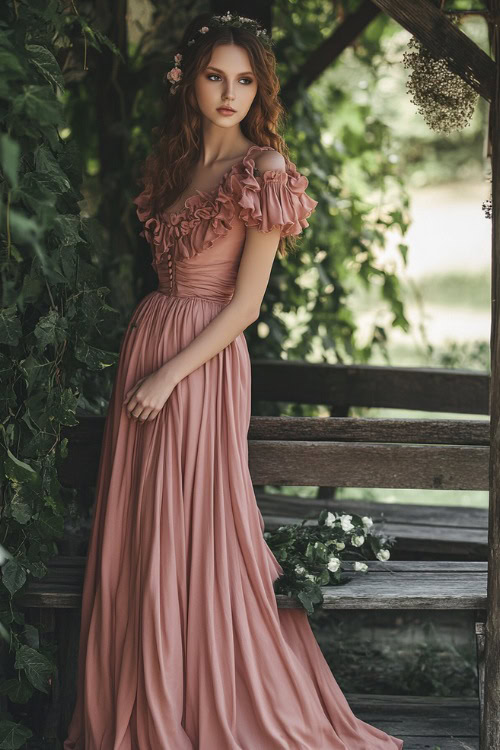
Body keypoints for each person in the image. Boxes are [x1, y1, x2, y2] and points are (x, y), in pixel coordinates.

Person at [64, 10, 404, 750]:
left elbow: (245, 305)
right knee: (148, 530)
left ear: (261, 89)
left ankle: (206, 696)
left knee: (199, 527)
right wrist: (148, 366)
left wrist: (168, 375)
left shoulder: (266, 171)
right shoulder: (177, 164)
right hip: (153, 340)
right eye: (217, 76)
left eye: (246, 80)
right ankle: (147, 692)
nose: (231, 93)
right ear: (186, 80)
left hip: (199, 364)